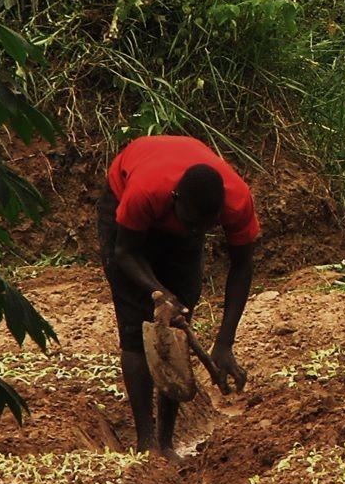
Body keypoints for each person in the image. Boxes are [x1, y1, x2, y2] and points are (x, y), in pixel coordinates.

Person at [97, 134, 259, 461]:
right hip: (126, 210)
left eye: (204, 228)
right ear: (174, 201)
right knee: (134, 326)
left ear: (217, 216)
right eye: (189, 223)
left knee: (177, 322)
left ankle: (166, 443)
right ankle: (146, 441)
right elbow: (125, 253)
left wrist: (224, 343)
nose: (195, 233)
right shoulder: (145, 192)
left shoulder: (237, 201)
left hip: (177, 213)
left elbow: (242, 266)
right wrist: (158, 293)